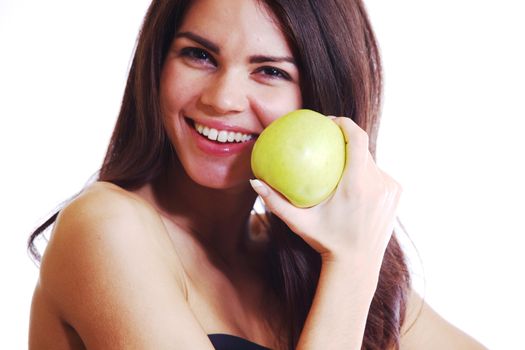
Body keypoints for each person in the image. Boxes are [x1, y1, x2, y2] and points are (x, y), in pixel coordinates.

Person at [27, 0, 487, 349]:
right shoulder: (108, 228)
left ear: (318, 102)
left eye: (269, 71)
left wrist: (351, 263)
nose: (223, 98)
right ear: (157, 63)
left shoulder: (294, 258)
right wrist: (351, 269)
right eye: (199, 55)